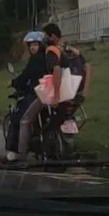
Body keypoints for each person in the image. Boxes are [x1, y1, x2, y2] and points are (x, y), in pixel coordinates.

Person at [16, 23, 92, 159]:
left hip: (54, 95)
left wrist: (56, 95)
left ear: (53, 36)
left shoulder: (52, 50)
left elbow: (56, 71)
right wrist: (84, 92)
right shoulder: (71, 50)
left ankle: (21, 157)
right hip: (73, 94)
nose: (43, 39)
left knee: (25, 120)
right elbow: (87, 66)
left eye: (45, 36)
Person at [4, 31, 47, 162]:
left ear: (41, 45)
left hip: (36, 94)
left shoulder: (36, 60)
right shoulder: (46, 58)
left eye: (35, 44)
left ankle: (15, 153)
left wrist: (13, 83)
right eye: (31, 45)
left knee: (18, 118)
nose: (33, 47)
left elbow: (25, 76)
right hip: (48, 94)